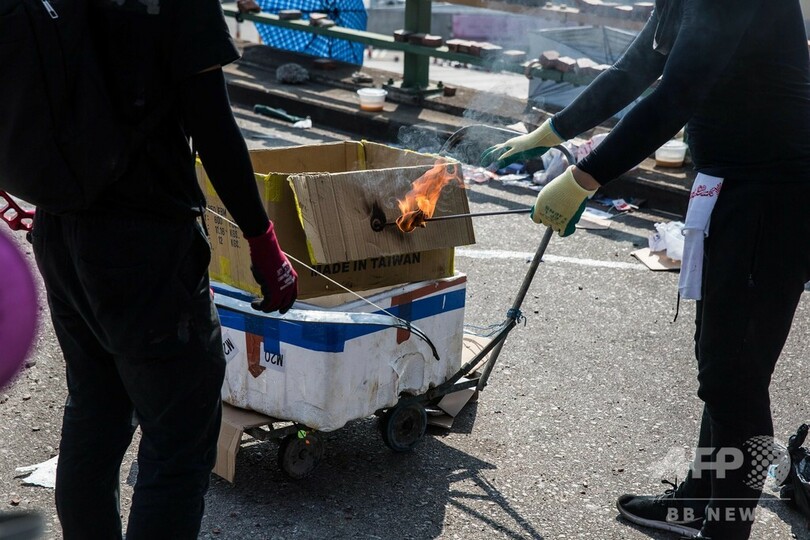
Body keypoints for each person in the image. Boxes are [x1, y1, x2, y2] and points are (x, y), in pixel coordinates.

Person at [481, 0, 810, 538]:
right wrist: (555, 129)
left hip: (772, 202)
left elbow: (678, 91)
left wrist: (585, 177)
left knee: (735, 382)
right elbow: (637, 67)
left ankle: (725, 528)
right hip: (727, 192)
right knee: (721, 366)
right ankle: (702, 502)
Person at [30, 0, 298, 538]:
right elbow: (213, 127)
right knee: (178, 444)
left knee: (94, 409)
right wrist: (263, 240)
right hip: (144, 245)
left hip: (59, 232)